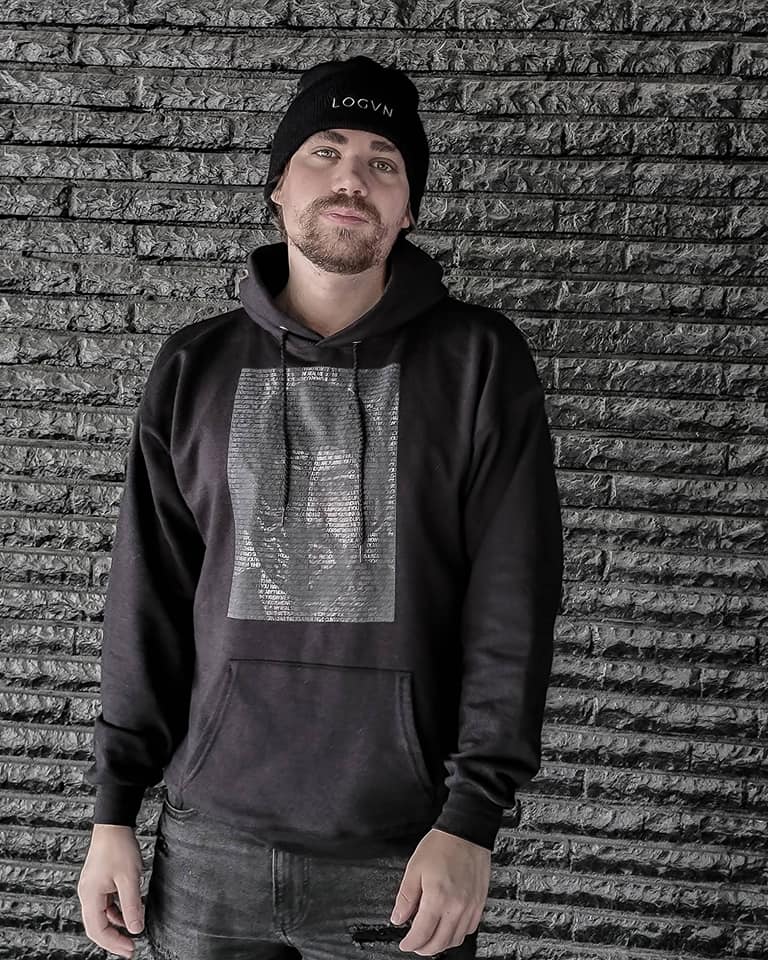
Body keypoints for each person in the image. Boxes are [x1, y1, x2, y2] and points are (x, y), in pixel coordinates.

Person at [76, 55, 564, 960]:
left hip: (403, 849)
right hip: (207, 843)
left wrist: (473, 819)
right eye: (325, 151)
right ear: (277, 185)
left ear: (408, 207)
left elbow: (513, 604)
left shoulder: (479, 363)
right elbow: (146, 600)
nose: (351, 179)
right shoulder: (192, 369)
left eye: (384, 162)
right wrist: (113, 813)